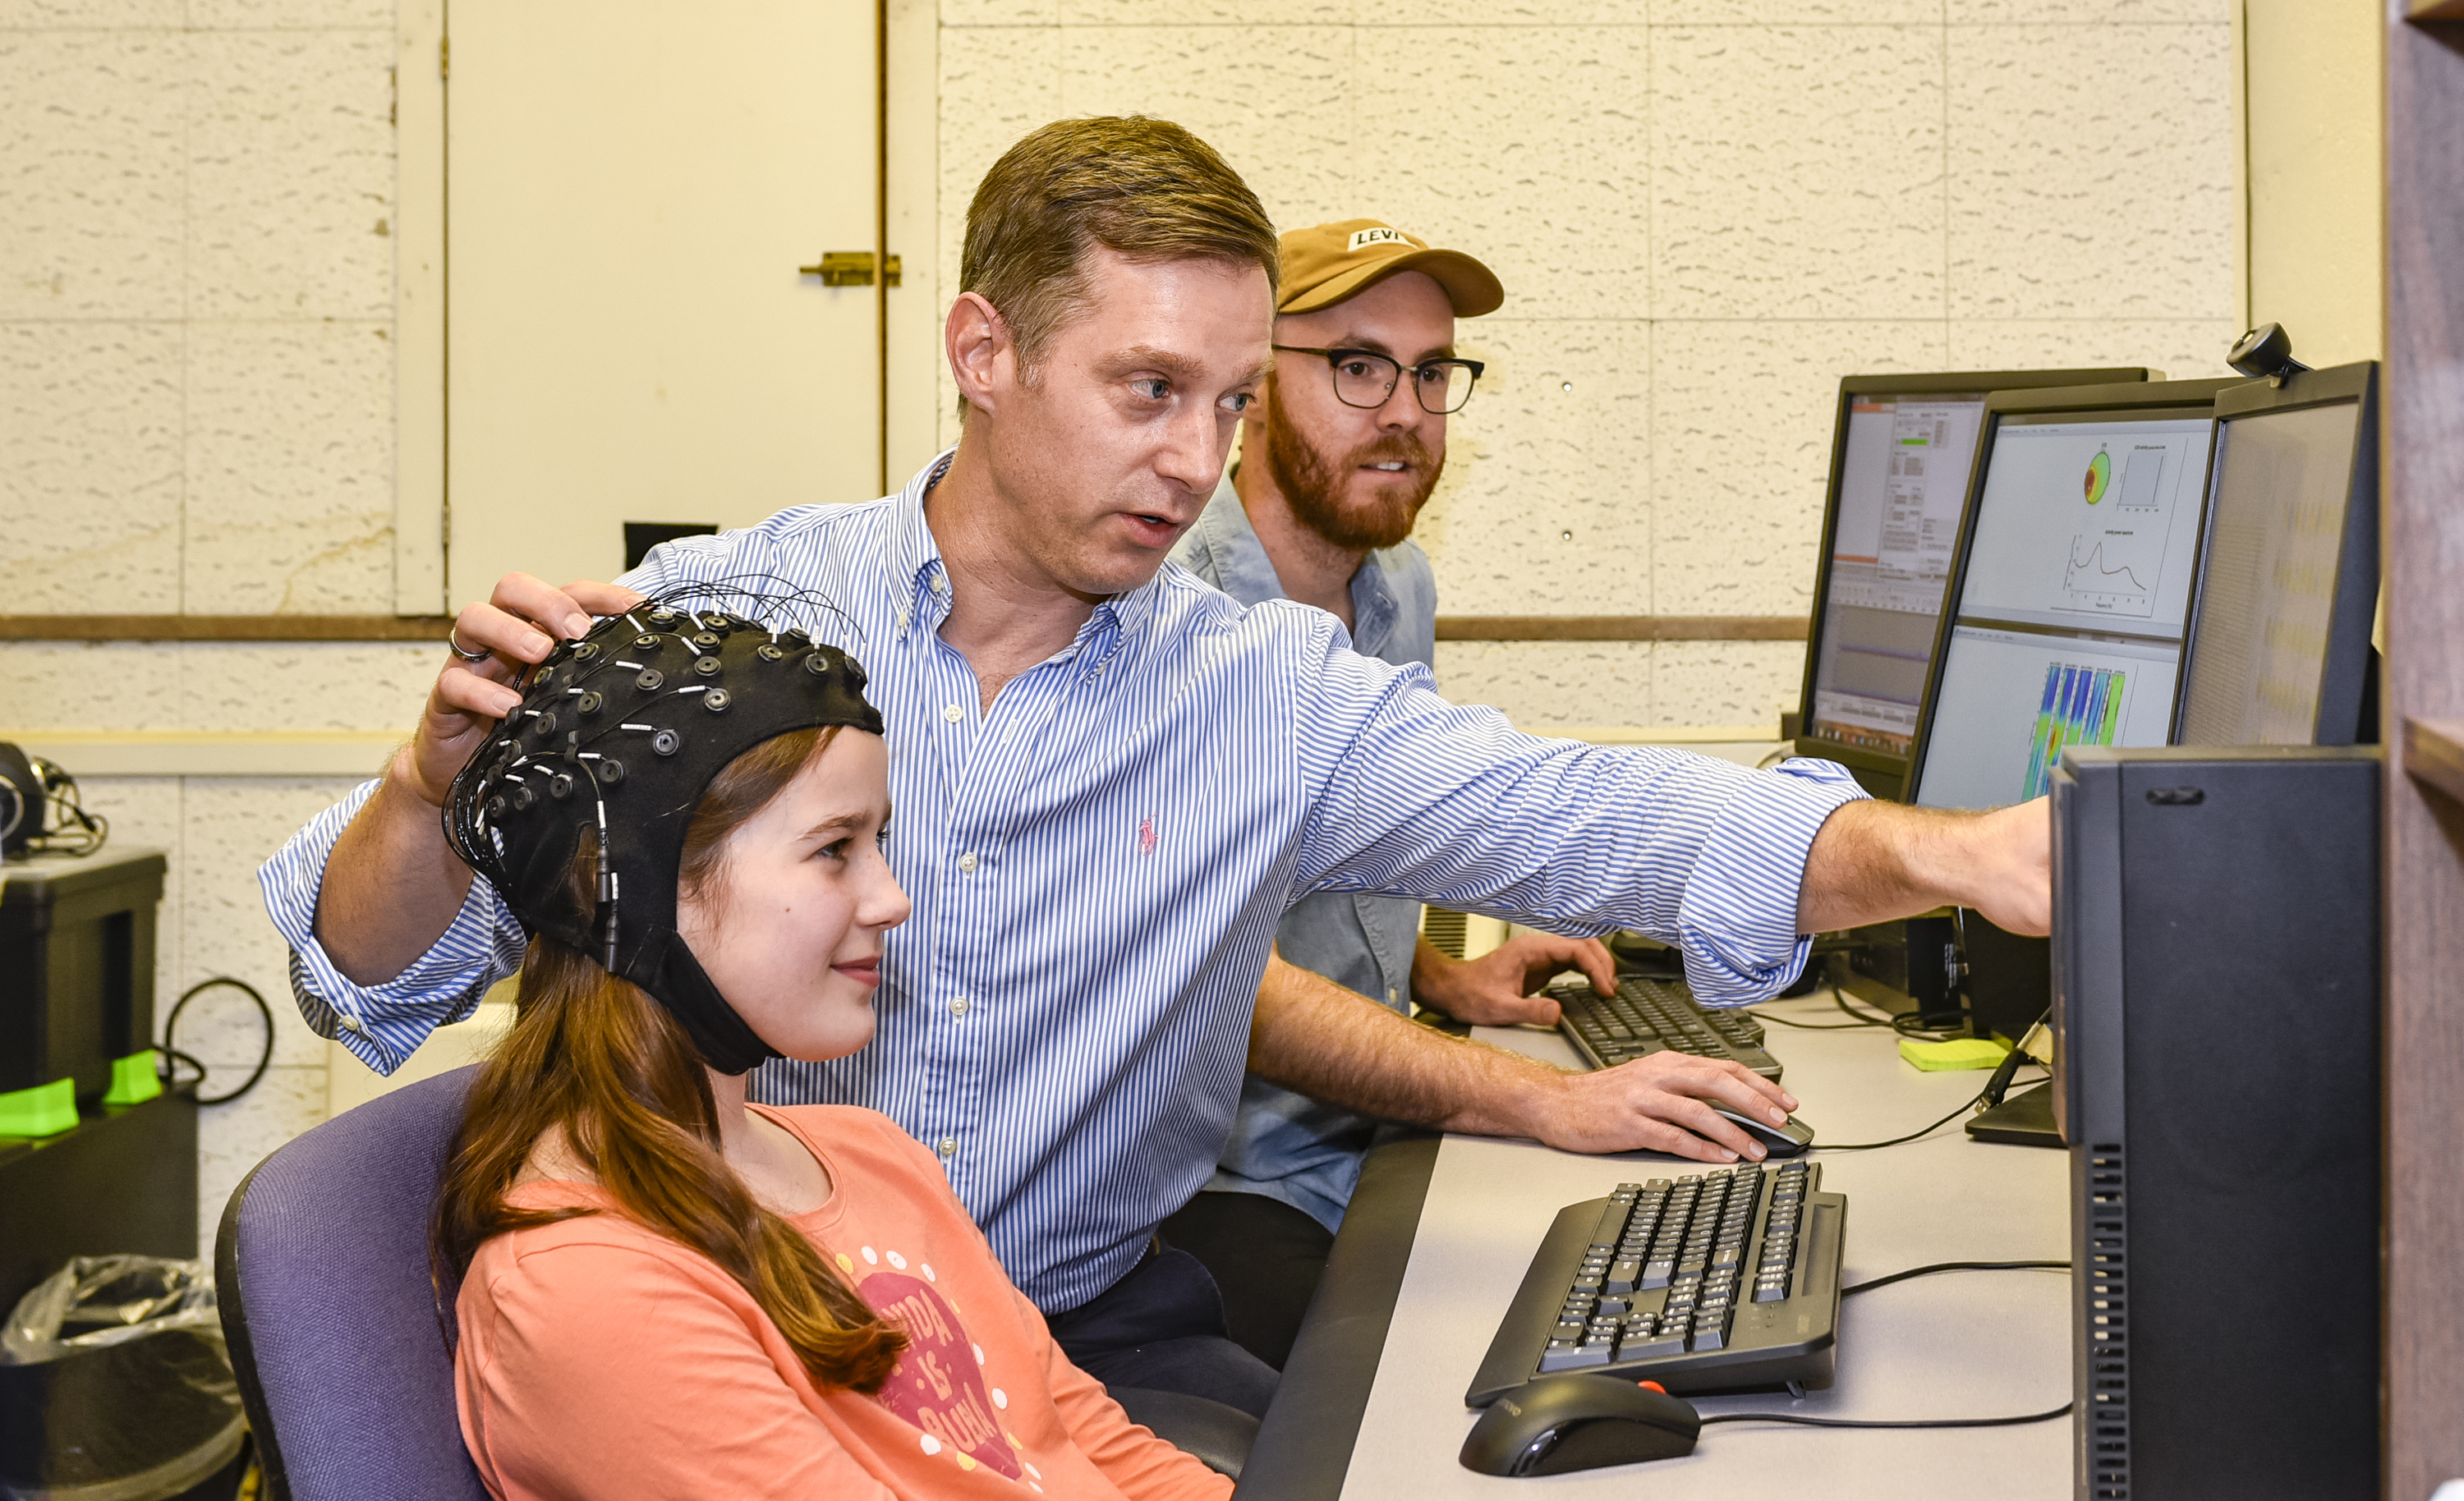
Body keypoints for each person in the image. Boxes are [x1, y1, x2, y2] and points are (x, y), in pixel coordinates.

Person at [261, 116, 2051, 1416]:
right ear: (983, 351)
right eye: (1144, 391)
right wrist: (425, 793)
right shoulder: (730, 620)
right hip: (731, 1344)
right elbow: (363, 976)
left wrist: (1955, 853)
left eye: (1223, 399)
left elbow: (1589, 815)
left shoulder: (1257, 689)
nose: (1198, 460)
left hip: (1074, 1328)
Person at [436, 601, 1226, 1499]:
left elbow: (1083, 1443)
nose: (891, 897)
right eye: (833, 848)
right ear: (633, 888)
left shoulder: (872, 1153)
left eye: (877, 841)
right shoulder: (588, 1288)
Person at [1159, 218, 1627, 1367]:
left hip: (1369, 1142)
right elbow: (1215, 977)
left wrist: (1429, 970)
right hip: (1207, 1191)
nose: (1406, 412)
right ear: (1254, 382)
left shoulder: (1396, 584)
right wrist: (1535, 1101)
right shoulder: (1167, 616)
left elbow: (1325, 848)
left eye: (1431, 373)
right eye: (1358, 367)